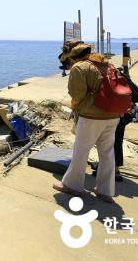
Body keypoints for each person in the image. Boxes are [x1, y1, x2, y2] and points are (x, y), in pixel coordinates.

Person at [53, 43, 121, 203]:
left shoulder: (80, 68)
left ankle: (72, 185)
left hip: (91, 116)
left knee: (81, 151)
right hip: (112, 114)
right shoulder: (107, 64)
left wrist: (74, 107)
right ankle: (106, 191)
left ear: (73, 57)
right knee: (107, 153)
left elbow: (77, 95)